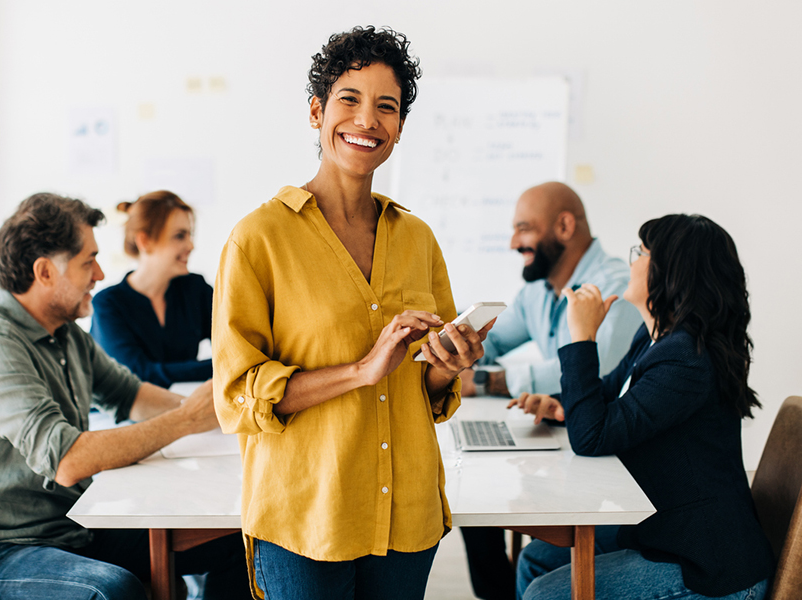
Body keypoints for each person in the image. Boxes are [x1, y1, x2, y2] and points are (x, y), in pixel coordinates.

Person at [211, 27, 491, 600]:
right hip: (305, 516)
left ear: (399, 128)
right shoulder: (258, 239)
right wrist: (362, 370)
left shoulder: (417, 238)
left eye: (386, 107)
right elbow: (237, 396)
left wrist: (447, 365)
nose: (367, 120)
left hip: (405, 514)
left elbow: (424, 385)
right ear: (317, 112)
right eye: (349, 100)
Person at [0, 193, 251, 600]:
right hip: (0, 551)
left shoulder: (63, 333)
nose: (100, 273)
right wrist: (187, 420)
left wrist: (216, 412)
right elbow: (68, 461)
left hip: (70, 527)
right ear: (44, 271)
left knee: (238, 540)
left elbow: (131, 394)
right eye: (88, 261)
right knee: (111, 592)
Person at [511, 214, 775, 600]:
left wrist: (581, 337)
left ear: (670, 270)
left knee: (543, 593)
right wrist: (560, 406)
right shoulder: (655, 337)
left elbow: (592, 437)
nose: (631, 260)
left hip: (708, 564)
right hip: (664, 528)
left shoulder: (685, 359)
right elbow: (607, 397)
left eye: (641, 252)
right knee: (537, 559)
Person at [460, 182, 642, 600]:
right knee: (473, 501)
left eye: (523, 229)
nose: (512, 243)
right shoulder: (536, 293)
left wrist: (489, 379)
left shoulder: (612, 286)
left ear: (564, 226)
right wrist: (458, 343)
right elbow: (491, 344)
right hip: (566, 438)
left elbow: (590, 371)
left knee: (484, 505)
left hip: (609, 462)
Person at [91, 190, 213, 388]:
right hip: (119, 417)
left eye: (189, 235)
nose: (191, 245)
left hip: (181, 404)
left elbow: (237, 347)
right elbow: (138, 375)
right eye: (179, 236)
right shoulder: (108, 304)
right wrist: (219, 367)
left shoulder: (196, 289)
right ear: (144, 241)